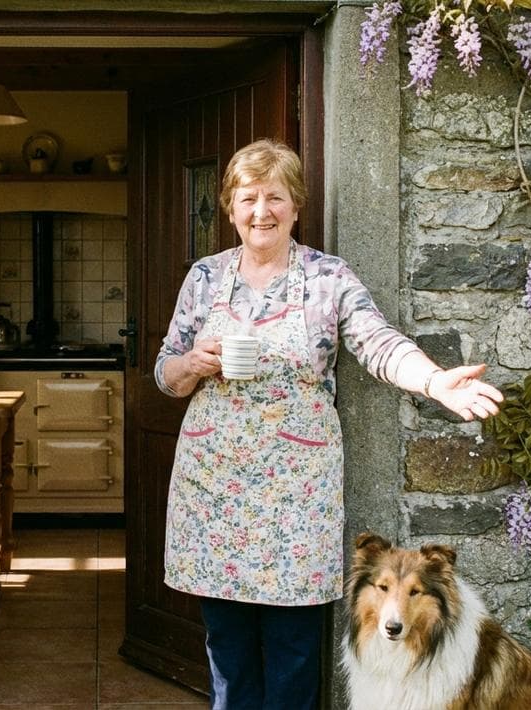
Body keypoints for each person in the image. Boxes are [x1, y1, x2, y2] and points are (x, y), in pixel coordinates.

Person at [155, 139, 504, 709]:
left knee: (294, 652)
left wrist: (435, 380)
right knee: (228, 649)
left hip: (297, 494)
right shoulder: (204, 279)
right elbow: (165, 372)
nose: (261, 211)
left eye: (275, 197)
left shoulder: (328, 277)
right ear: (230, 207)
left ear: (296, 207)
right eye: (248, 198)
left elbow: (378, 342)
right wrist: (191, 364)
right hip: (213, 491)